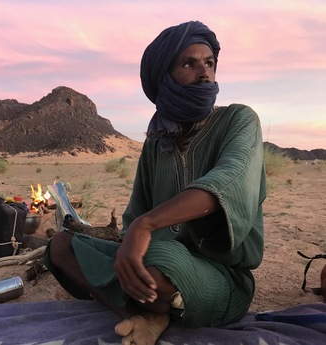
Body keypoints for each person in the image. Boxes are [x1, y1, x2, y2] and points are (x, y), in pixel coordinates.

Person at [44, 20, 266, 344]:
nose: (204, 73)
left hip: (221, 276)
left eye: (210, 63)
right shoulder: (156, 142)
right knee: (62, 245)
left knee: (158, 261)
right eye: (189, 63)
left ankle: (146, 302)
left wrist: (145, 228)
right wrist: (127, 246)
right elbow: (137, 211)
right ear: (165, 76)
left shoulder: (239, 120)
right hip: (157, 259)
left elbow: (227, 181)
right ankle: (143, 316)